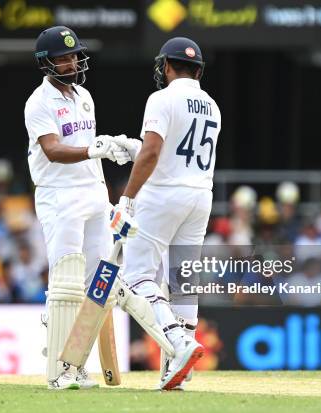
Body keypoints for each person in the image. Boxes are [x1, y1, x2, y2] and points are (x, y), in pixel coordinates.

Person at [110, 37, 222, 390]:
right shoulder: (212, 105)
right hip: (200, 195)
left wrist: (127, 197)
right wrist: (136, 148)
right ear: (199, 70)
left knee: (138, 276)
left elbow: (154, 151)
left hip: (163, 195)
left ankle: (178, 343)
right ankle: (182, 371)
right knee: (183, 280)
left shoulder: (161, 97)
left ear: (168, 67)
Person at [24, 25, 128, 390]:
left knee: (98, 284)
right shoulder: (38, 102)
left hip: (92, 195)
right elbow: (53, 149)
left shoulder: (84, 95)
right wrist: (92, 149)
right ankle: (58, 371)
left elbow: (90, 152)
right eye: (63, 57)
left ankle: (78, 366)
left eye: (73, 55)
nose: (70, 62)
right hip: (59, 196)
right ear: (46, 62)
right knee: (65, 283)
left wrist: (106, 189)